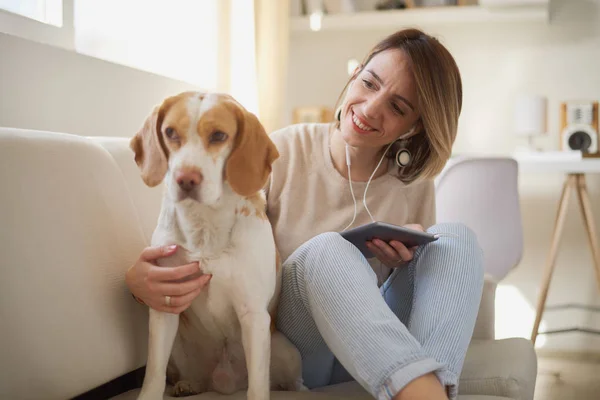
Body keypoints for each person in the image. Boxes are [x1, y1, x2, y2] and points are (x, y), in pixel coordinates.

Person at [126, 28, 484, 400]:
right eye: (369, 83)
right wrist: (140, 285)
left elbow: (423, 293)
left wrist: (403, 262)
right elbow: (202, 239)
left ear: (416, 126)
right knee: (328, 249)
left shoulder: (414, 183)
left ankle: (430, 390)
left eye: (397, 107)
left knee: (456, 239)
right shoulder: (281, 150)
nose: (371, 108)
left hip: (373, 350)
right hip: (298, 346)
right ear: (355, 74)